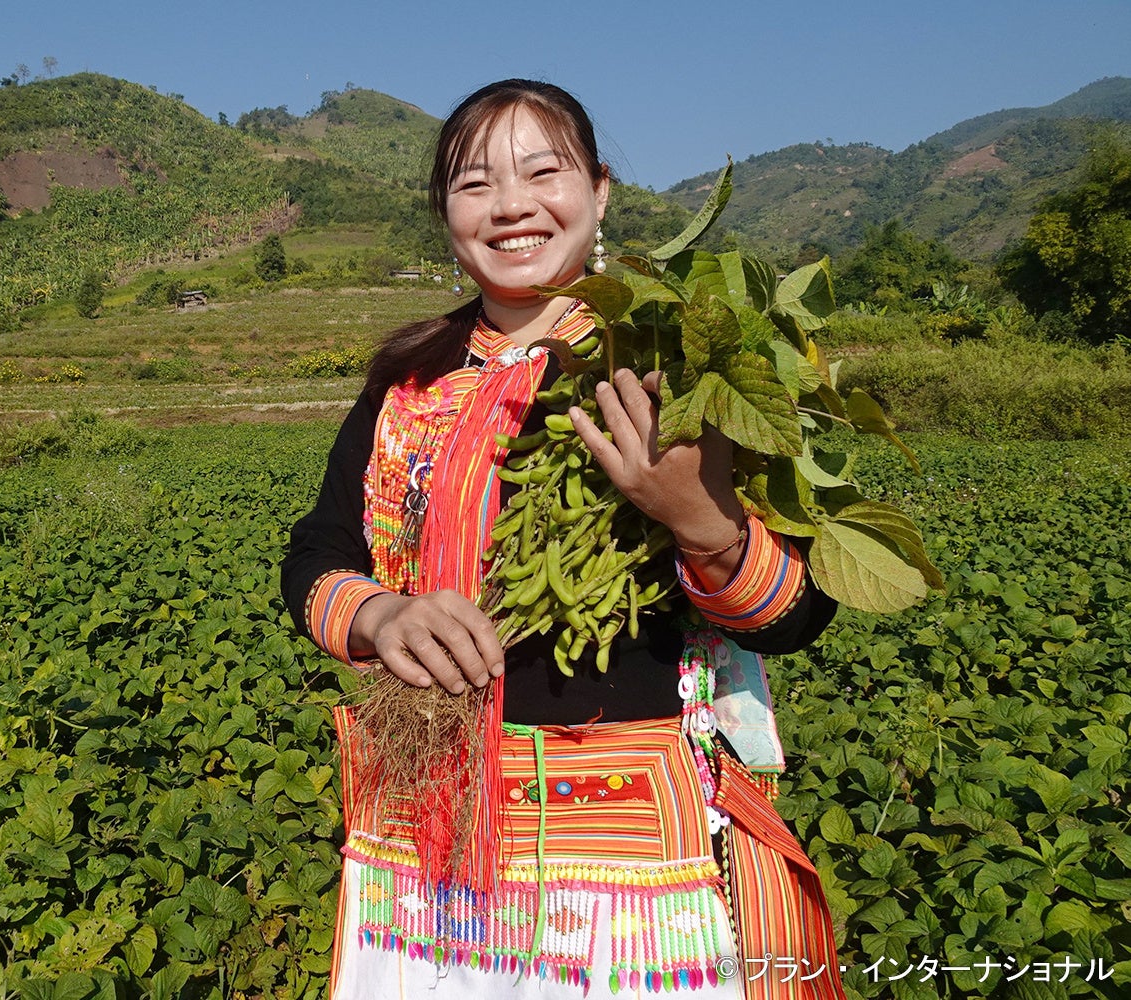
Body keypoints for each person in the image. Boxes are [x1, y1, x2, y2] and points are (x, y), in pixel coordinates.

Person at [283, 79, 846, 1000]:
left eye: (543, 172)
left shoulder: (673, 365)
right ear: (445, 213)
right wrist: (382, 615)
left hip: (626, 869)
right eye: (474, 184)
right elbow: (316, 554)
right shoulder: (408, 382)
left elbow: (795, 615)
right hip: (422, 854)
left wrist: (697, 517)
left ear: (601, 191)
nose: (511, 205)